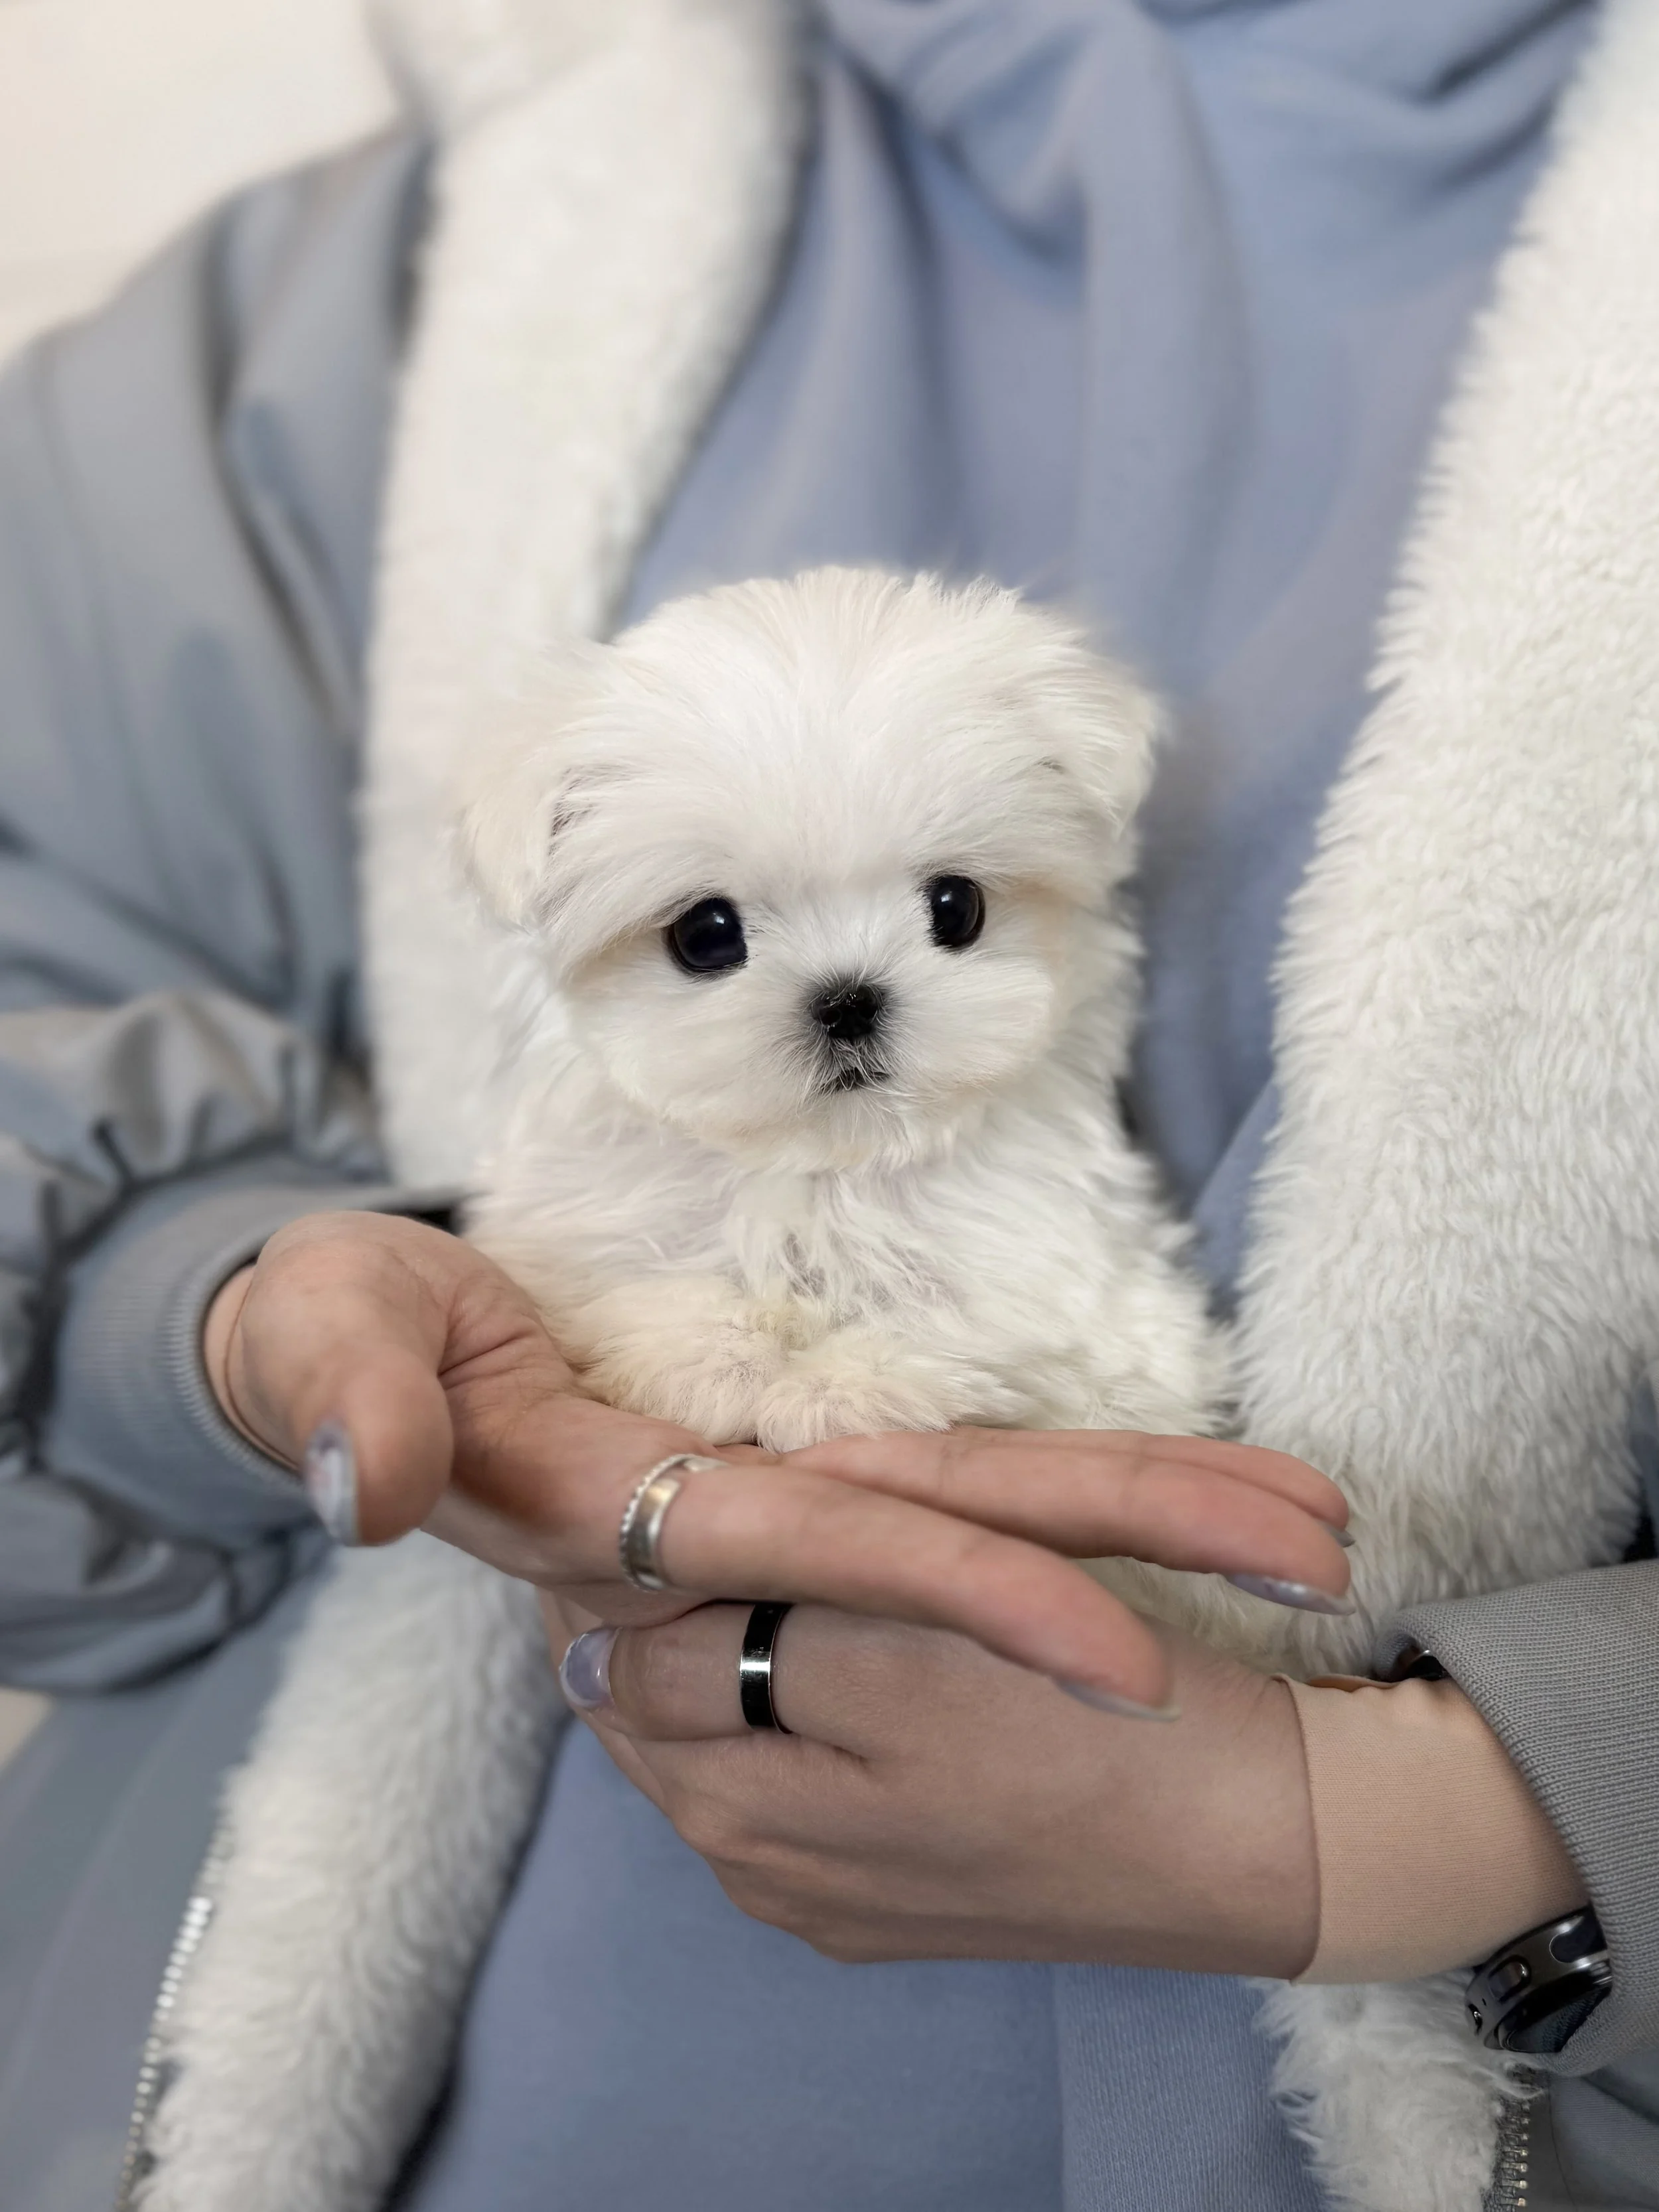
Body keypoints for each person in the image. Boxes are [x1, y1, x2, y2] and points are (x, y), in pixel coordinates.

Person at [3, 2, 1658, 2209]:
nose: (845, 1000)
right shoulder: (351, 281)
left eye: (948, 905)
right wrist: (210, 1305)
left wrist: (1461, 1812)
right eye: (710, 938)